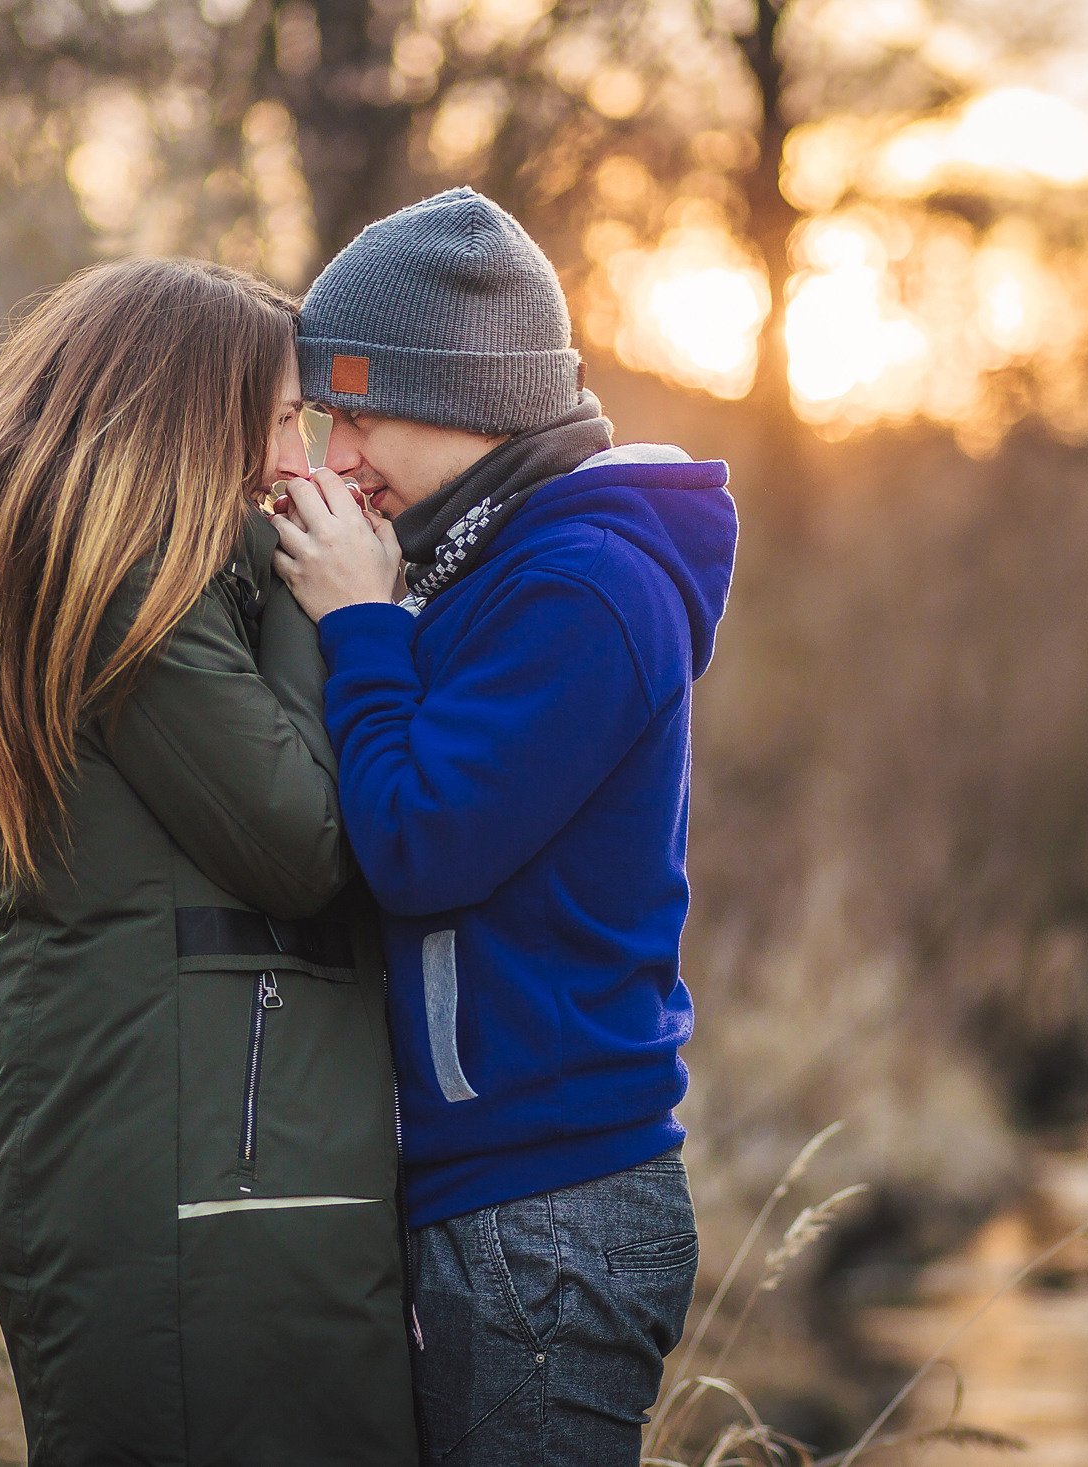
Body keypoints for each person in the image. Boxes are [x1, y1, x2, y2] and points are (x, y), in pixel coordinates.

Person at [0, 257, 420, 1466]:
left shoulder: (153, 581)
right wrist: (336, 609)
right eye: (284, 418)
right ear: (190, 416)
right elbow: (307, 844)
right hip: (187, 1185)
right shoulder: (128, 583)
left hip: (202, 1168)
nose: (310, 460)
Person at [269, 187, 738, 1465]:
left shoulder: (586, 586)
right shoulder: (485, 566)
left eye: (359, 409)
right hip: (497, 1193)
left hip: (548, 1213)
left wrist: (362, 629)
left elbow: (423, 840)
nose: (336, 450)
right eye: (323, 413)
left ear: (466, 399)